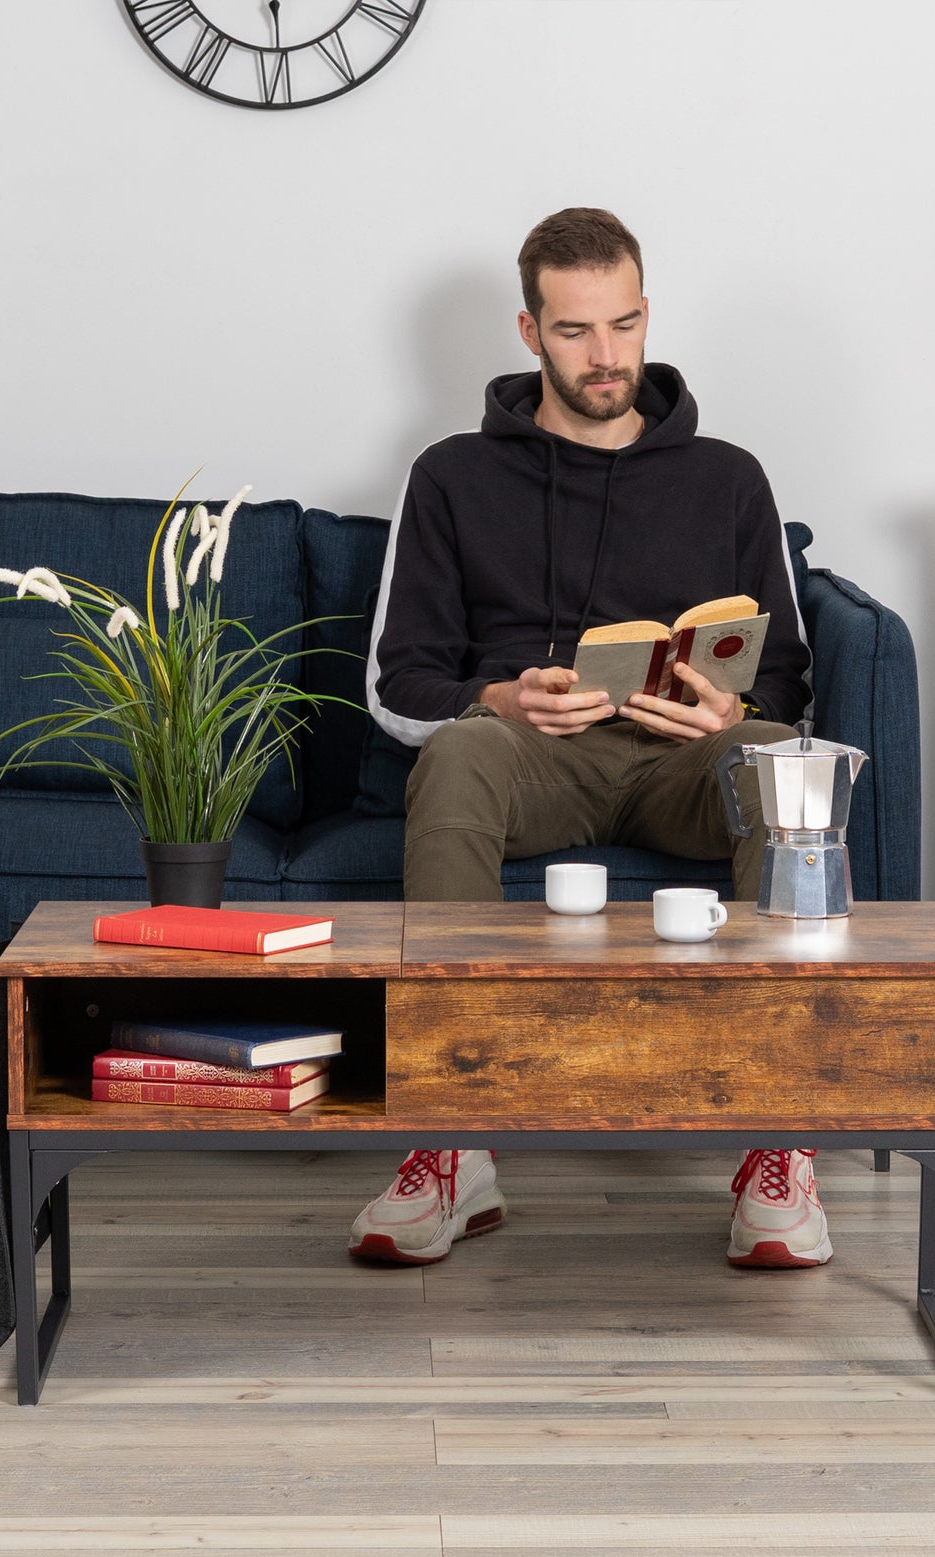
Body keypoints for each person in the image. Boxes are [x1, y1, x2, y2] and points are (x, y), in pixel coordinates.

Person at [348, 208, 830, 1272]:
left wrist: (730, 714)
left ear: (647, 313)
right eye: (574, 332)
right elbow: (396, 682)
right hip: (537, 758)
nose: (605, 357)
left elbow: (791, 674)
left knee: (778, 764)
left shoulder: (729, 477)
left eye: (622, 326)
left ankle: (776, 1142)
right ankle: (450, 1139)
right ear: (529, 332)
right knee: (456, 749)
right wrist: (500, 700)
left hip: (685, 758)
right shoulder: (450, 476)